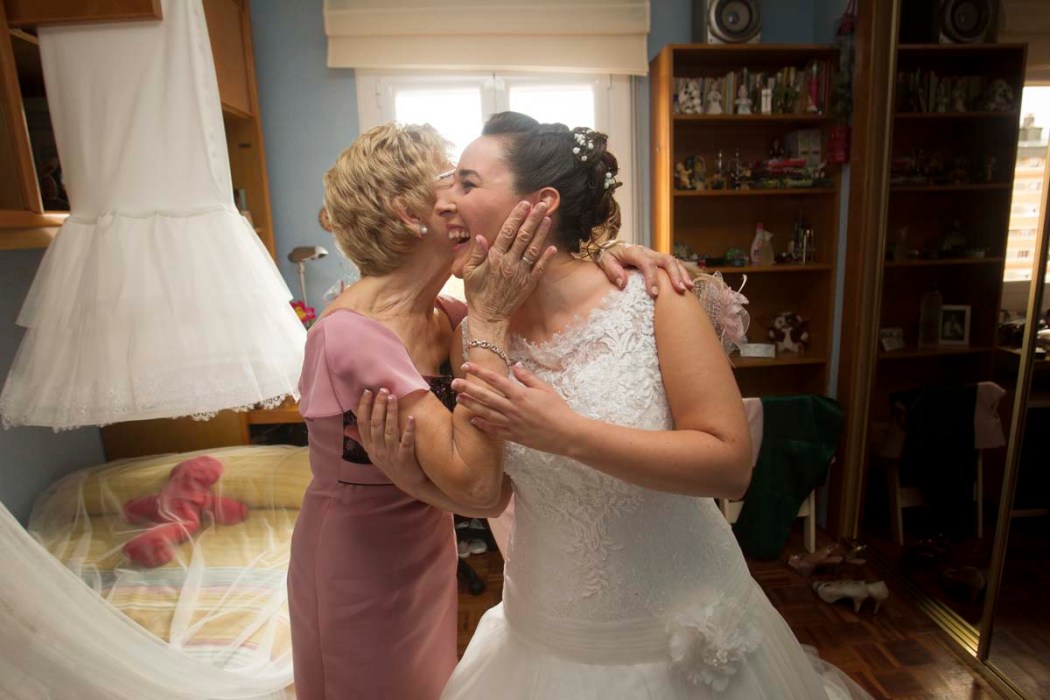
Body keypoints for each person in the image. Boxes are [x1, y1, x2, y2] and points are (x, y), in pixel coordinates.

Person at [362, 113, 872, 699]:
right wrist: (415, 482)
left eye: (467, 183)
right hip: (546, 637)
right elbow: (496, 493)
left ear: (540, 204)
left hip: (677, 638)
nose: (443, 200)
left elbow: (730, 466)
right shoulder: (476, 336)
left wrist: (569, 433)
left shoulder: (653, 299)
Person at [288, 121, 694, 699]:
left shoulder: (447, 316)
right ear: (409, 213)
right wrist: (492, 317)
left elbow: (539, 292)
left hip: (428, 542)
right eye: (449, 179)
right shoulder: (352, 335)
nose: (458, 197)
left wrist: (606, 253)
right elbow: (479, 485)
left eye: (467, 182)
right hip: (358, 561)